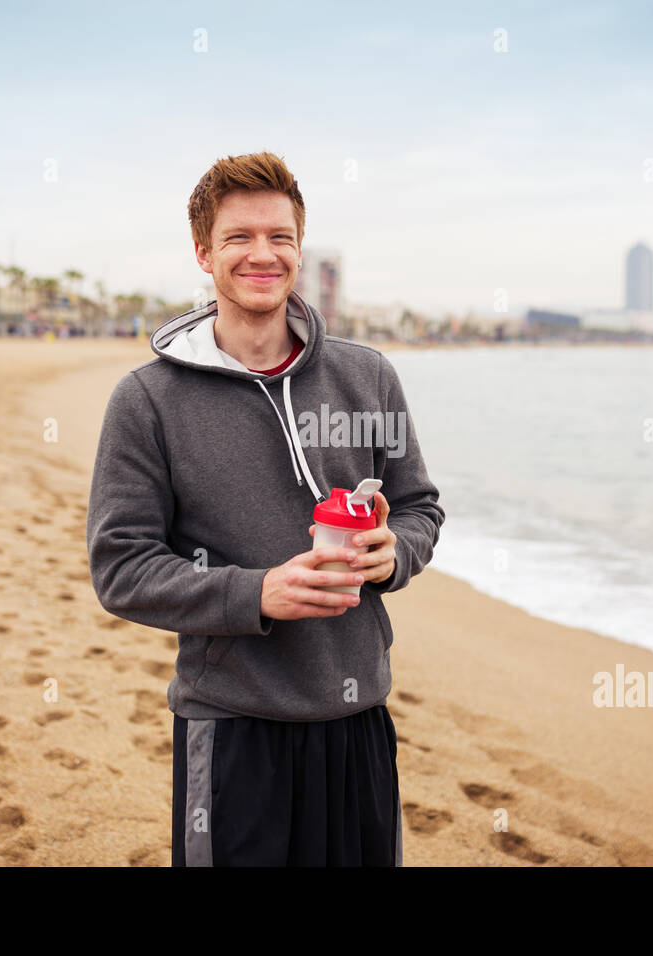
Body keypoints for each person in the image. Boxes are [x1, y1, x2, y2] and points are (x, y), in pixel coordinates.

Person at [86, 151, 444, 866]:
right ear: (203, 254)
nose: (262, 254)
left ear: (299, 250)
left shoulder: (366, 375)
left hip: (358, 716)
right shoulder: (147, 399)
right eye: (239, 238)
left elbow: (419, 507)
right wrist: (257, 593)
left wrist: (393, 552)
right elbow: (121, 567)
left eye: (280, 237)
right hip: (232, 725)